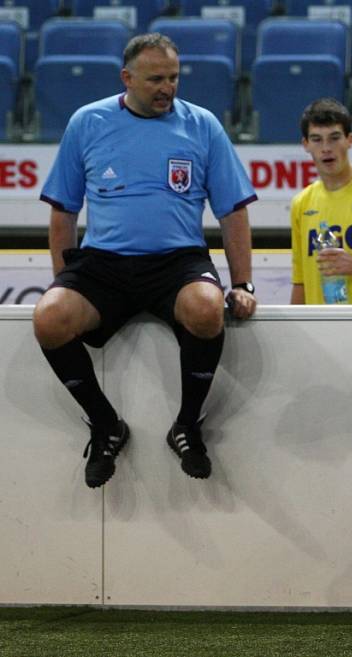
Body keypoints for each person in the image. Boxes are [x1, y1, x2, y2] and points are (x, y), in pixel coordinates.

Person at [32, 33, 257, 488]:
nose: (167, 88)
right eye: (156, 78)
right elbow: (64, 210)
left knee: (206, 309)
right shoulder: (87, 122)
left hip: (177, 262)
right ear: (127, 78)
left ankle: (187, 426)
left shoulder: (203, 125)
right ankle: (105, 425)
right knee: (49, 318)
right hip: (103, 264)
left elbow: (232, 211)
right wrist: (63, 281)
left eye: (173, 77)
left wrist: (243, 284)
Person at [290, 98, 352, 305]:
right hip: (318, 326)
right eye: (316, 139)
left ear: (350, 140)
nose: (326, 148)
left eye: (334, 138)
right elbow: (300, 281)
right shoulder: (301, 203)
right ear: (305, 144)